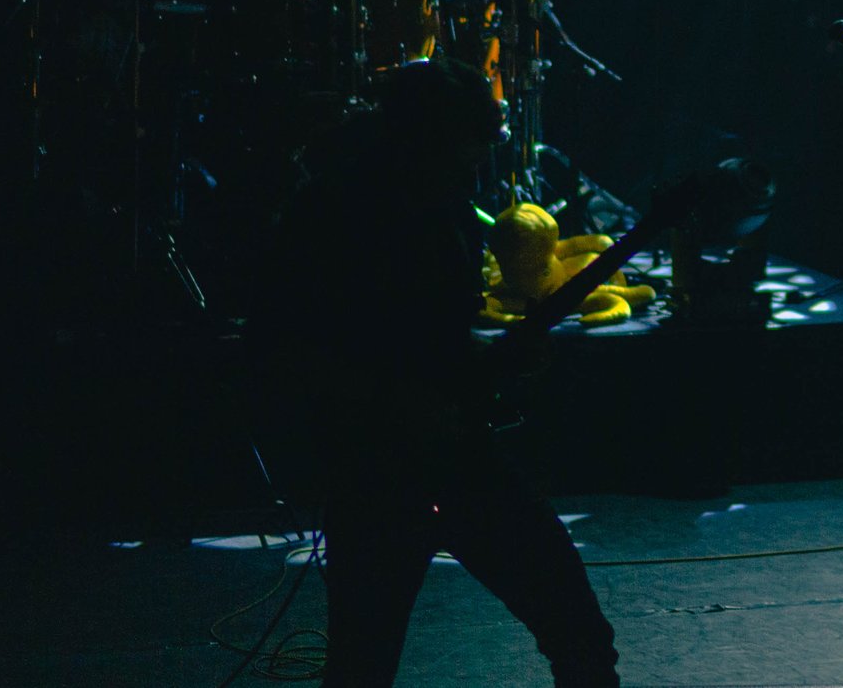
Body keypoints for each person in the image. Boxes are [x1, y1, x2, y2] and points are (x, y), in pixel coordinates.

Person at [252, 60, 622, 687]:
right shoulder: (333, 213)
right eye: (471, 144)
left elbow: (437, 337)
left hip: (451, 454)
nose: (479, 161)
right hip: (375, 466)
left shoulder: (443, 201)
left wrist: (502, 356)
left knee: (577, 634)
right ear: (430, 140)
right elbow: (281, 347)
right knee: (364, 662)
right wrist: (388, 401)